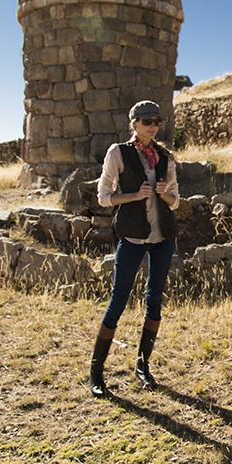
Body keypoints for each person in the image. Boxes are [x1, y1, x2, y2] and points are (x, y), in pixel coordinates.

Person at [90, 100, 180, 398]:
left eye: (156, 120)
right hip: (131, 237)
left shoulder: (166, 156)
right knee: (118, 300)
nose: (152, 125)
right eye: (146, 120)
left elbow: (176, 200)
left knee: (155, 302)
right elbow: (104, 197)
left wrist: (164, 195)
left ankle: (143, 367)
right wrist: (132, 196)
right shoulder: (118, 152)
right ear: (134, 123)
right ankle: (96, 373)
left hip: (162, 238)